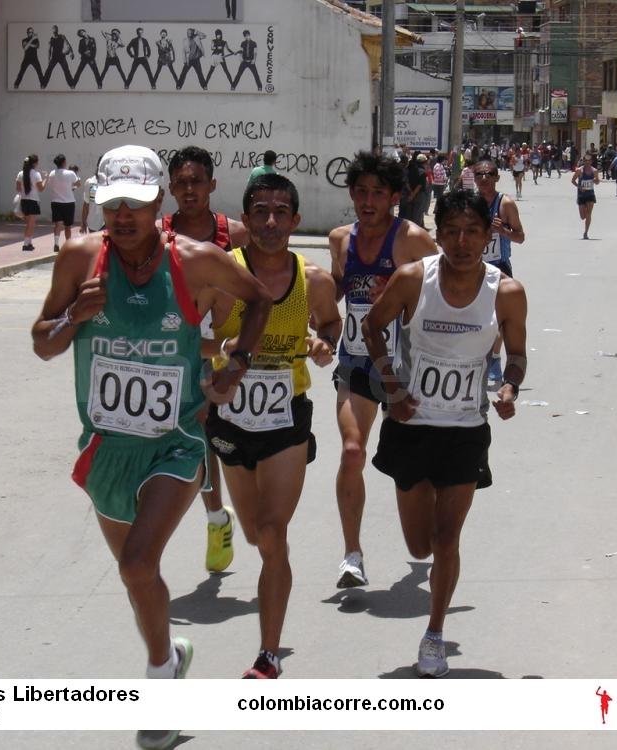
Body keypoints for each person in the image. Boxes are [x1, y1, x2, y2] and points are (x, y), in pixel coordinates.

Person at [31, 144, 272, 750]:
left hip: (177, 440)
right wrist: (70, 322)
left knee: (139, 562)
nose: (122, 215)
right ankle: (168, 658)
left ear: (158, 202)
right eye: (111, 204)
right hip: (107, 446)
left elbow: (258, 299)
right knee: (136, 574)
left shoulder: (194, 261)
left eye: (135, 204)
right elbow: (41, 342)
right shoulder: (80, 258)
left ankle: (158, 689)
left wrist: (237, 362)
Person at [363, 189, 528, 678]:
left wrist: (510, 389)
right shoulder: (414, 279)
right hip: (411, 427)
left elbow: (517, 355)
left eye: (472, 231)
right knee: (419, 545)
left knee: (446, 536)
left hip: (464, 428)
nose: (461, 242)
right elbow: (373, 328)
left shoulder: (507, 292)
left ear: (488, 234)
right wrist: (391, 386)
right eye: (451, 231)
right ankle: (431, 584)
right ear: (438, 235)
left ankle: (433, 634)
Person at [204, 173, 342, 678]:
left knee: (273, 531)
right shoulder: (220, 276)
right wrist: (218, 352)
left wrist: (325, 343)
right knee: (256, 535)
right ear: (245, 219)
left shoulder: (315, 281)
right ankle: (260, 564)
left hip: (287, 420)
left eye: (280, 212)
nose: (269, 222)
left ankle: (268, 653)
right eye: (259, 211)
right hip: (230, 418)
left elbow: (330, 323)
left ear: (295, 220)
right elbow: (187, 340)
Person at [327, 151, 438, 589]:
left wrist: (396, 293)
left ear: (395, 196)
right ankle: (352, 554)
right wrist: (315, 320)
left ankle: (423, 532)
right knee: (352, 451)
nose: (368, 201)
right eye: (361, 192)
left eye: (378, 193)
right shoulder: (340, 239)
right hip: (355, 359)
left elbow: (443, 287)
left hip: (404, 365)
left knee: (409, 465)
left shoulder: (411, 239)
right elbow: (335, 291)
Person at [160, 145, 251, 572]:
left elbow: (259, 289)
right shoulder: (157, 234)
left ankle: (223, 515)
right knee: (193, 439)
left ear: (212, 185)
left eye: (197, 181)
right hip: (175, 352)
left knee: (219, 441)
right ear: (170, 188)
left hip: (226, 349)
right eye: (181, 182)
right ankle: (216, 518)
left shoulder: (234, 234)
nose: (189, 189)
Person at [472, 159, 526, 383]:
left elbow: (520, 236)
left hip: (499, 266)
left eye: (489, 174)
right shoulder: (469, 203)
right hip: (472, 267)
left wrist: (502, 230)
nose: (484, 179)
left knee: (499, 317)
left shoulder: (505, 204)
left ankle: (494, 357)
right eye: (480, 175)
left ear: (497, 177)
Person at [48, 154, 81, 252]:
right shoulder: (70, 173)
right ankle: (68, 245)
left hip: (56, 201)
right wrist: (74, 183)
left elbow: (51, 183)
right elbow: (78, 184)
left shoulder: (52, 173)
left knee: (57, 224)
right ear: (63, 162)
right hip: (68, 202)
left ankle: (56, 244)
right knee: (68, 226)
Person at [16, 155, 47, 251]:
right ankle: (26, 244)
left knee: (29, 224)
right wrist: (46, 178)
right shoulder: (36, 174)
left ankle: (29, 242)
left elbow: (18, 188)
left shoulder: (20, 173)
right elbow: (41, 188)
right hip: (33, 200)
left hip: (24, 200)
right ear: (34, 163)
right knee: (31, 224)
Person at [571, 157, 599, 240]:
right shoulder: (579, 170)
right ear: (583, 161)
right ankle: (585, 214)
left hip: (590, 194)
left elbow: (597, 182)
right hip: (581, 194)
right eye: (585, 161)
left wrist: (595, 180)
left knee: (589, 214)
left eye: (589, 160)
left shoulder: (594, 171)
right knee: (583, 216)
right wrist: (579, 187)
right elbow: (573, 180)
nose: (587, 162)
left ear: (591, 161)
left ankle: (586, 232)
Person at [79, 158, 104, 235]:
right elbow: (86, 203)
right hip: (93, 222)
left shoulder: (111, 183)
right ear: (98, 166)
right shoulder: (90, 182)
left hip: (106, 222)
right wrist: (83, 222)